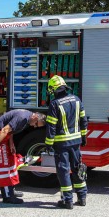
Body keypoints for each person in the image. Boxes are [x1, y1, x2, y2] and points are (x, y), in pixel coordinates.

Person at [44, 75, 88, 209]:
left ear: (54, 89)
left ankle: (67, 200)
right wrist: (84, 137)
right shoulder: (77, 100)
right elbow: (83, 120)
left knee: (63, 171)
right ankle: (82, 197)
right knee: (78, 169)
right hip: (76, 142)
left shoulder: (54, 104)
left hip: (62, 144)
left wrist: (48, 144)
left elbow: (51, 126)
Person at [0, 110, 45, 202]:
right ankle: (7, 196)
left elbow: (11, 130)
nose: (34, 126)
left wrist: (11, 143)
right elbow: (4, 130)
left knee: (10, 162)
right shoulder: (22, 118)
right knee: (3, 164)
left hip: (3, 135)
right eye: (36, 124)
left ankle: (10, 190)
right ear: (35, 117)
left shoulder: (27, 119)